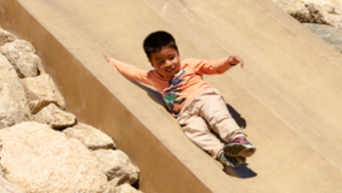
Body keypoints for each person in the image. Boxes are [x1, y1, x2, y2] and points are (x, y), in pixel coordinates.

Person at [103, 30, 254, 170]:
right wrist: (110, 61)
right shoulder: (153, 77)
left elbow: (212, 66)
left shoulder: (189, 64)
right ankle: (222, 153)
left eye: (171, 58)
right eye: (160, 62)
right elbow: (133, 72)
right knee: (194, 132)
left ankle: (238, 139)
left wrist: (229, 61)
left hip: (203, 97)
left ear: (178, 54)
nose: (168, 64)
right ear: (152, 64)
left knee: (217, 116)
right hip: (185, 114)